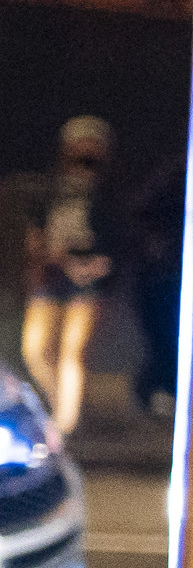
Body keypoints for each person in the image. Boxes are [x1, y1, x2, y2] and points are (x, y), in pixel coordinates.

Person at [21, 114, 115, 435]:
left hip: (87, 283)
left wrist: (100, 267)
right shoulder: (49, 189)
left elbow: (118, 240)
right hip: (51, 278)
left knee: (73, 352)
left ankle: (65, 426)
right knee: (34, 349)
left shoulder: (107, 195)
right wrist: (40, 259)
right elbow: (36, 233)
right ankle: (59, 406)